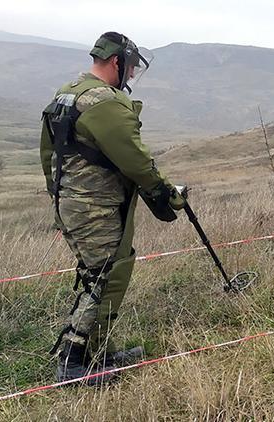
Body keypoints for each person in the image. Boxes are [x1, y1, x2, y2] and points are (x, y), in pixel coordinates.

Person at [39, 31, 185, 385]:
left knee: (103, 272)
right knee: (104, 277)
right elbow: (134, 160)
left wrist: (62, 198)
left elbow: (48, 156)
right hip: (95, 207)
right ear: (117, 62)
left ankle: (100, 352)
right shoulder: (104, 101)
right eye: (131, 68)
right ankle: (72, 363)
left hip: (74, 203)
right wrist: (164, 194)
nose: (132, 76)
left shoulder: (68, 93)